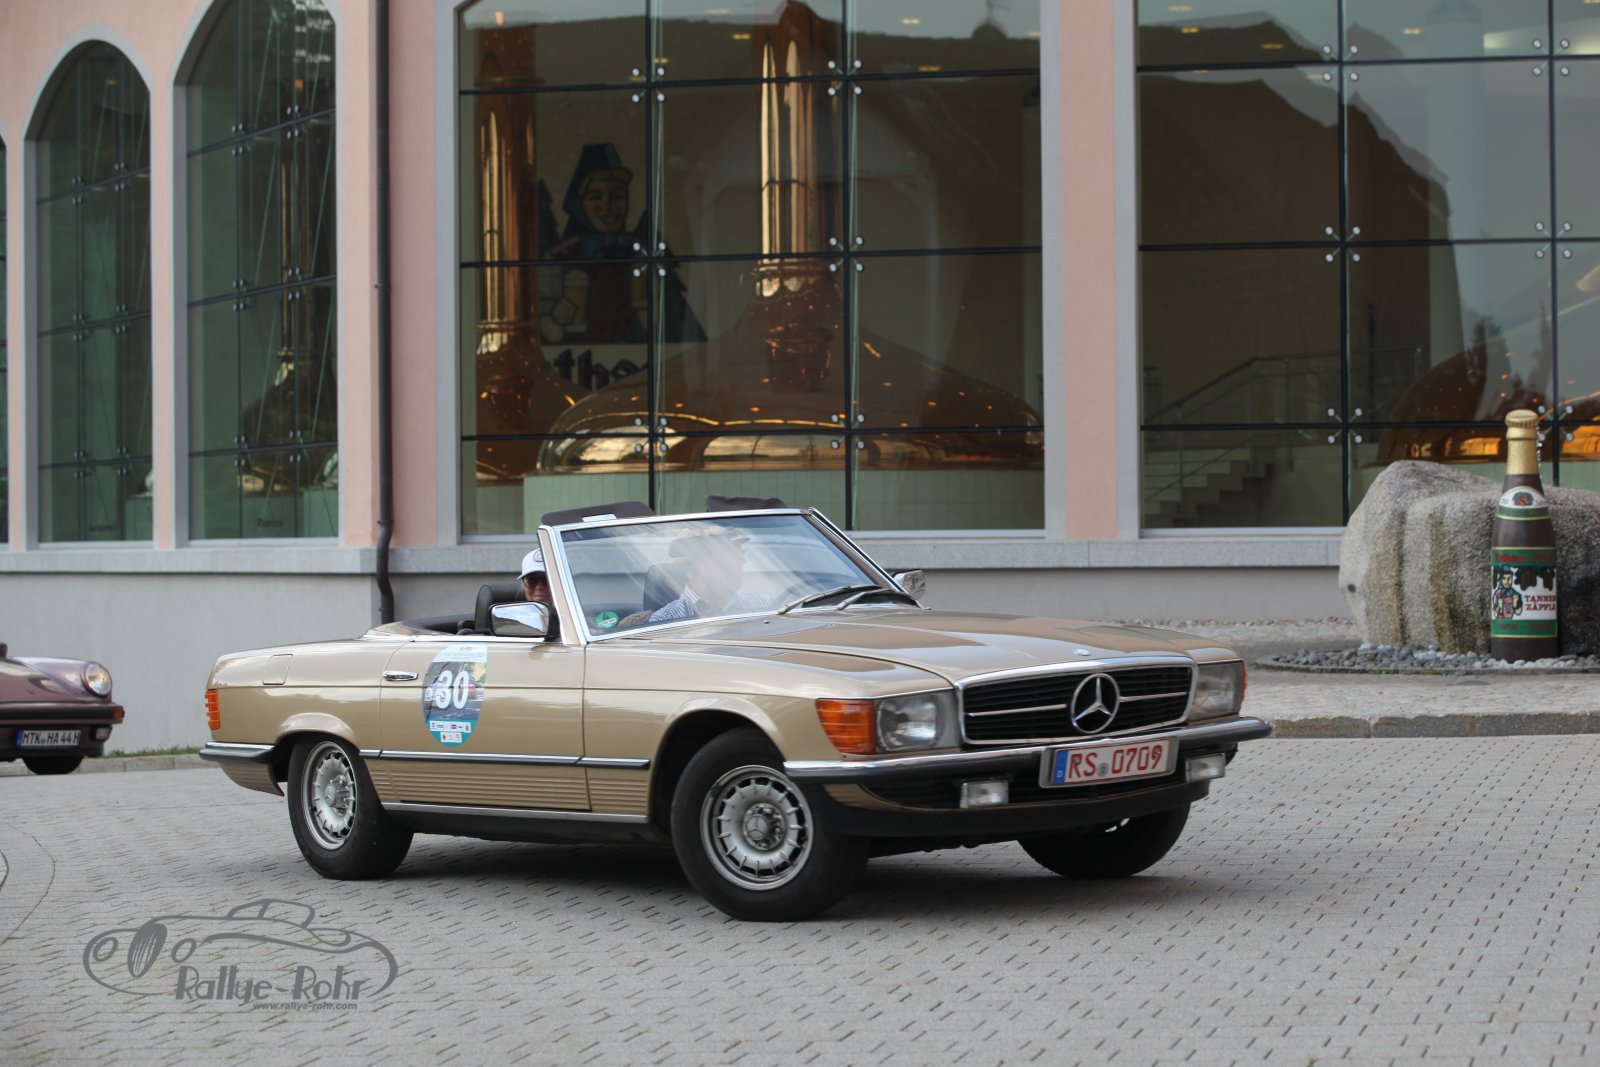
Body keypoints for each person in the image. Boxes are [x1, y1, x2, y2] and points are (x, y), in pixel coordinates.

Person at [648, 528, 771, 623]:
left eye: (742, 553)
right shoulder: (664, 620)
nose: (743, 560)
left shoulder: (763, 604)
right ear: (702, 564)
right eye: (733, 554)